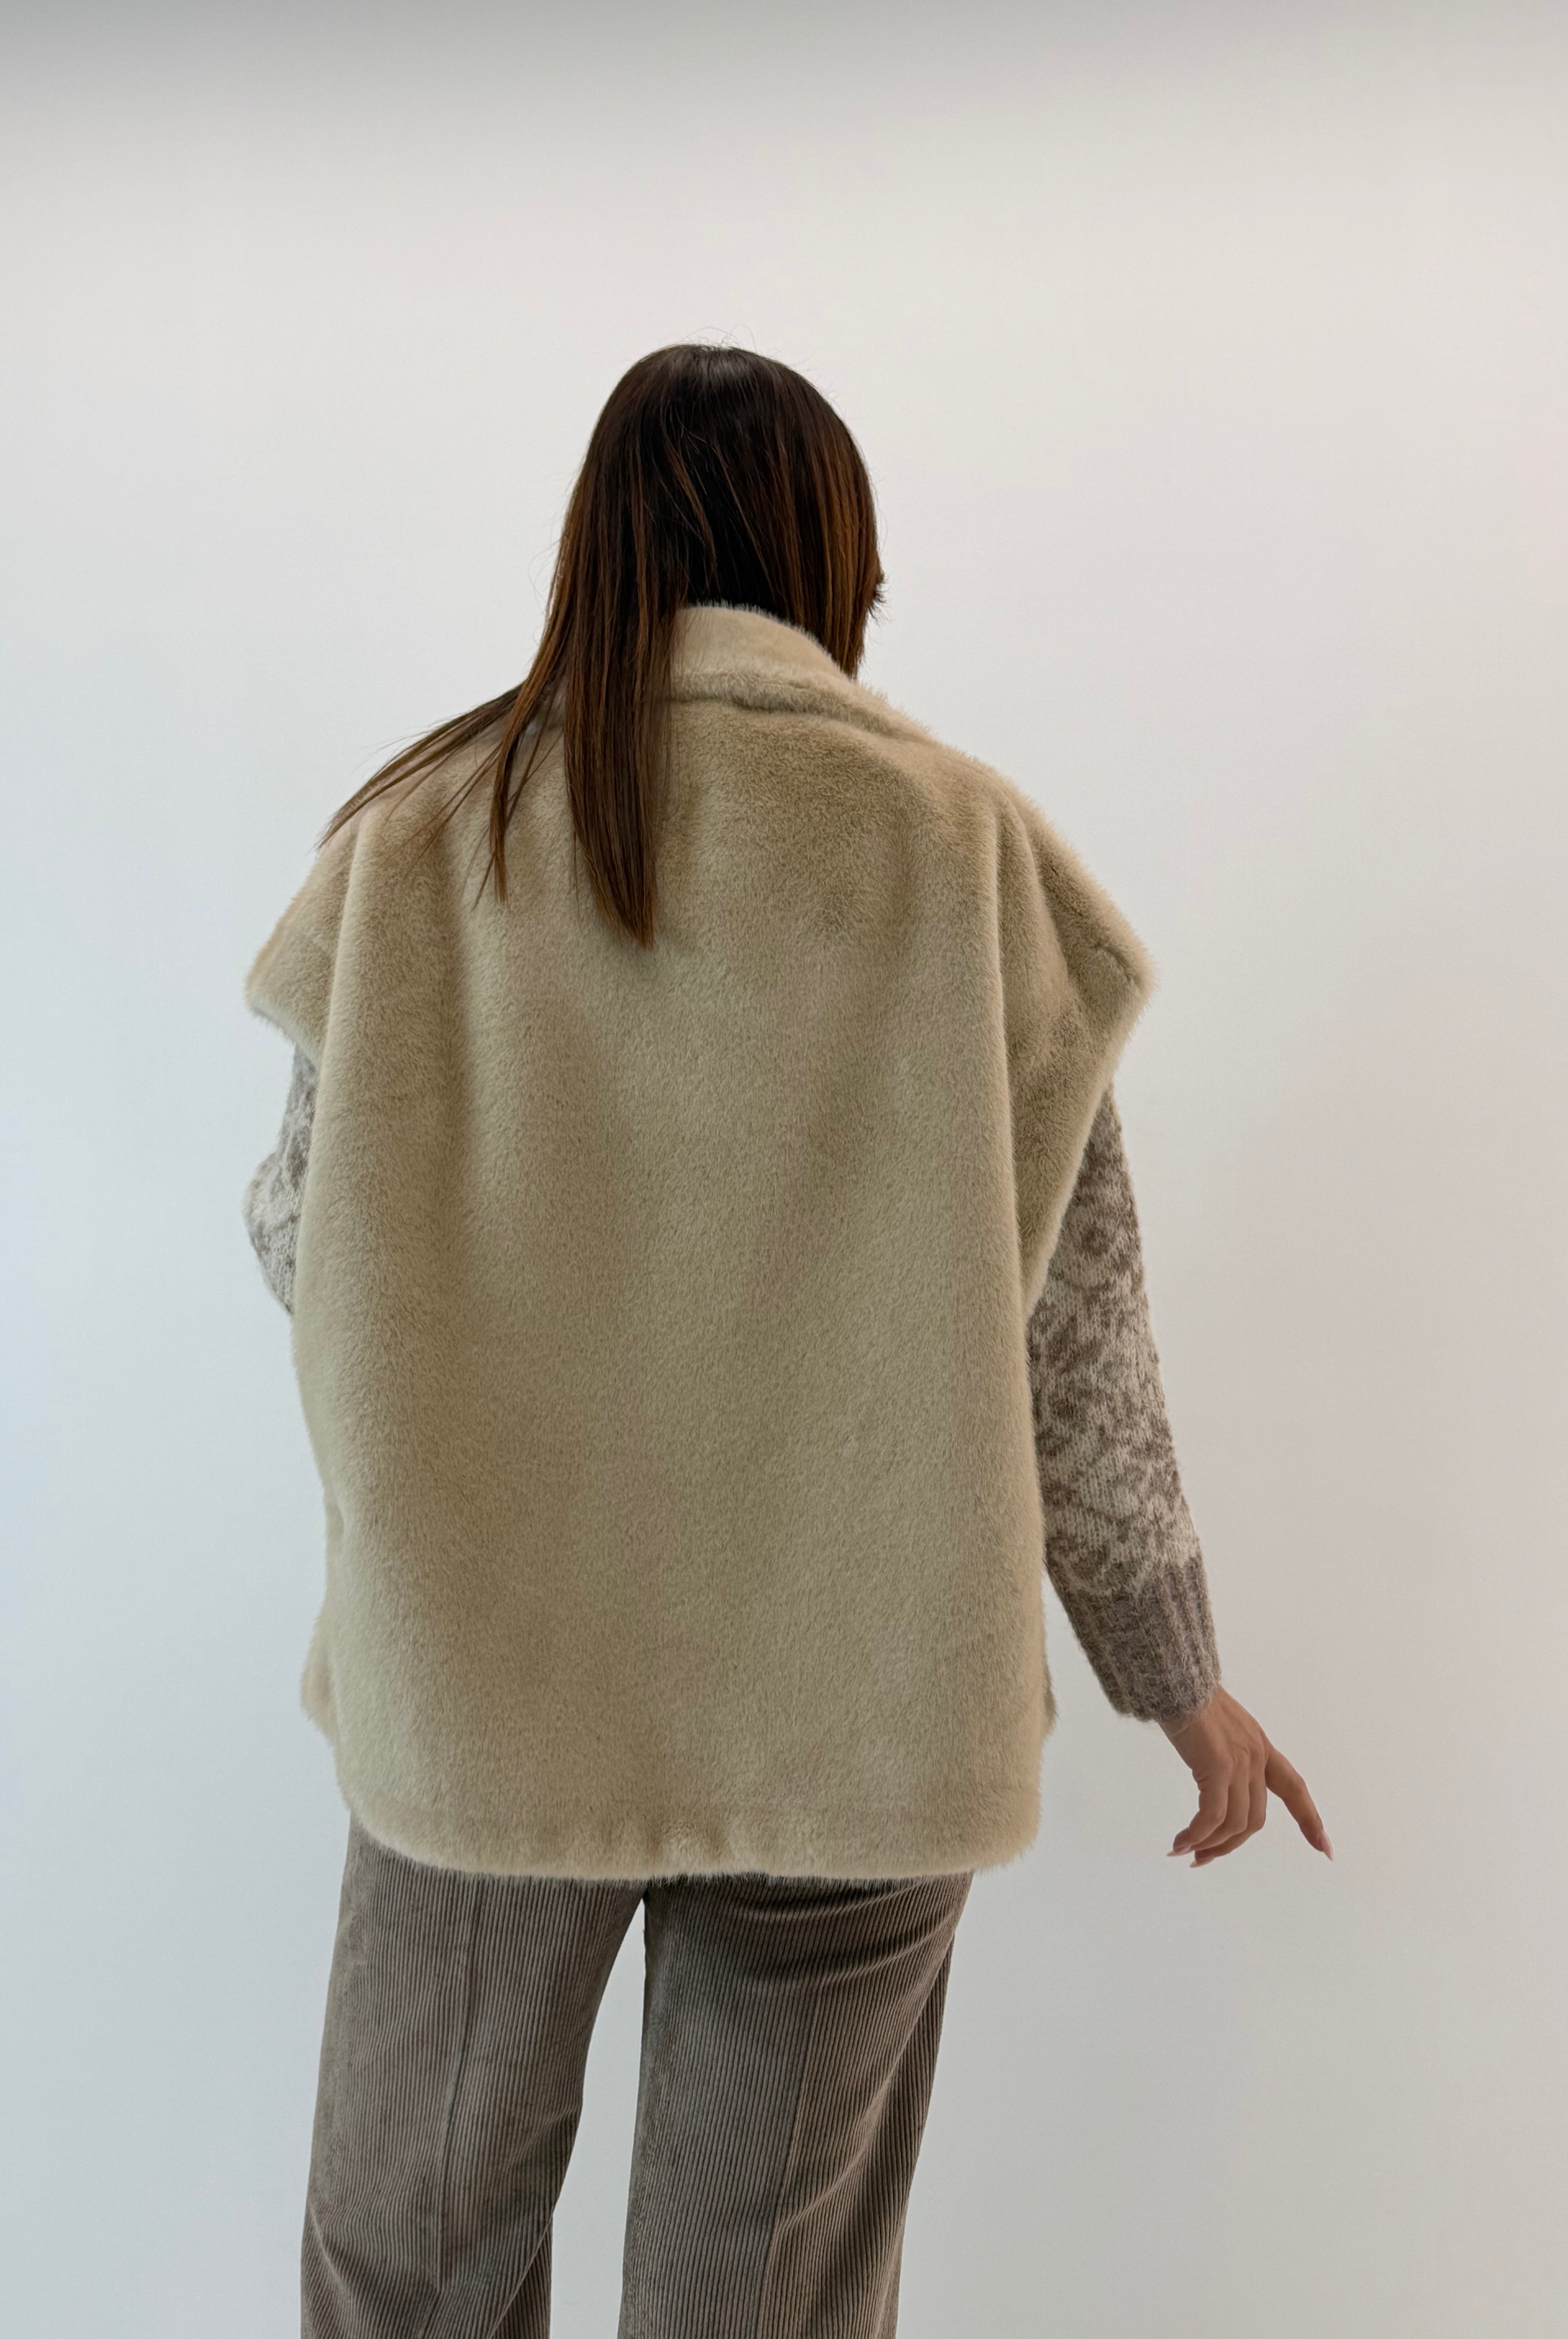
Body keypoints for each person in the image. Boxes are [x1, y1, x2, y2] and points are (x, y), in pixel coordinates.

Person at [241, 343, 1330, 2339]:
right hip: (862, 1711)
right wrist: (1176, 1678)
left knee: (408, 2270)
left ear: (594, 552)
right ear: (841, 567)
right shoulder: (971, 858)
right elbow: (1076, 1341)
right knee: (765, 2311)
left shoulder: (425, 839)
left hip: (489, 1683)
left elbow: (305, 1232)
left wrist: (516, 1361)